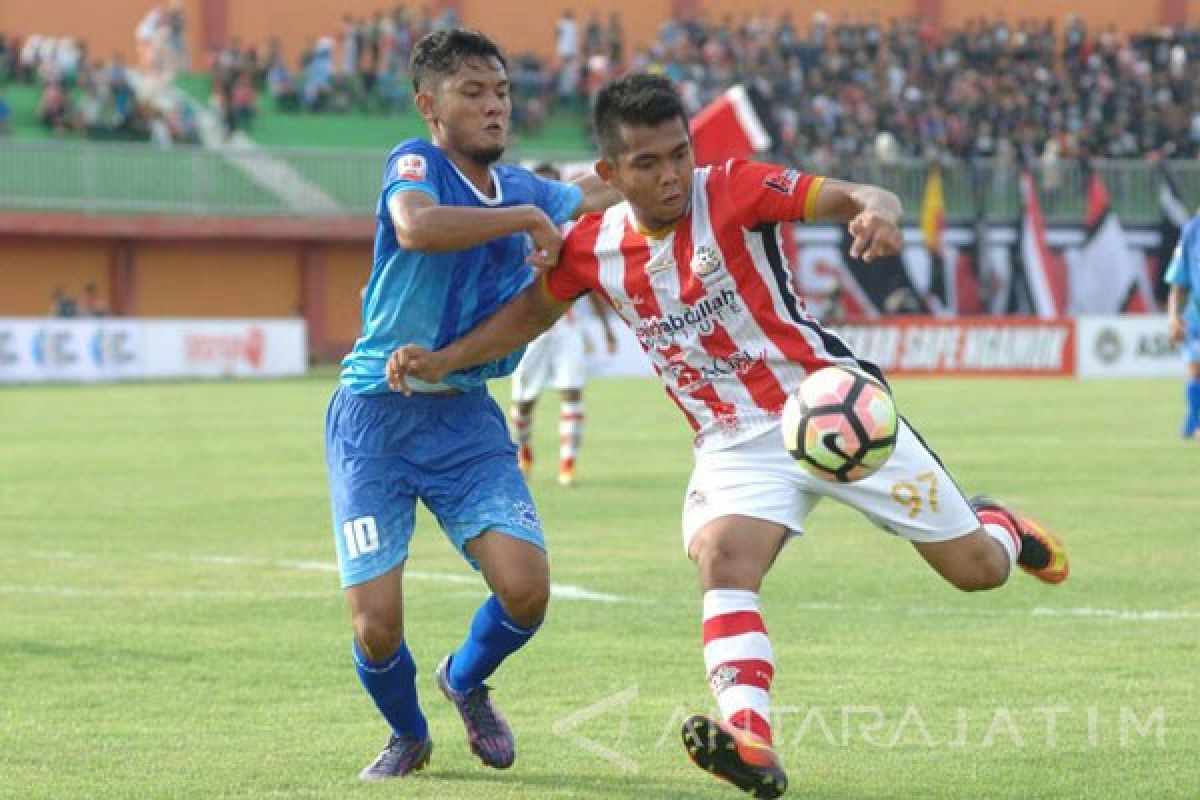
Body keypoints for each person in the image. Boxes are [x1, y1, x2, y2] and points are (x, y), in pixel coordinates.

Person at [385, 74, 1071, 799]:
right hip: (732, 441)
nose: (672, 174)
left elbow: (860, 194)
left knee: (978, 571)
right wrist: (444, 359)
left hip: (831, 406)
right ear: (610, 175)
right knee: (722, 560)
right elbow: (527, 317)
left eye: (679, 153)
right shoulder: (591, 246)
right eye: (647, 164)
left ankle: (997, 524)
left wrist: (879, 212)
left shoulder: (738, 187)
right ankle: (751, 739)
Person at [325, 28, 616, 782]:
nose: (493, 107)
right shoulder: (414, 165)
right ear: (429, 104)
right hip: (375, 415)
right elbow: (414, 227)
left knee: (526, 588)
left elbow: (594, 189)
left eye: (502, 92)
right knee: (376, 625)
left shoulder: (522, 187)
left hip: (462, 416)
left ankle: (463, 679)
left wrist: (687, 175)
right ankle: (409, 735)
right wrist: (526, 220)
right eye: (472, 92)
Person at [511, 162, 619, 487]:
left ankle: (567, 468)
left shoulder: (573, 233)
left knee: (572, 394)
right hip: (528, 329)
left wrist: (606, 329)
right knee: (524, 402)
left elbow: (591, 286)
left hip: (567, 326)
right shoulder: (518, 234)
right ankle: (524, 454)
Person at [1166, 209, 1200, 440]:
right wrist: (1172, 316)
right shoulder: (1191, 231)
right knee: (1195, 370)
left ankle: (1193, 420)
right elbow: (1178, 281)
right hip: (1197, 316)